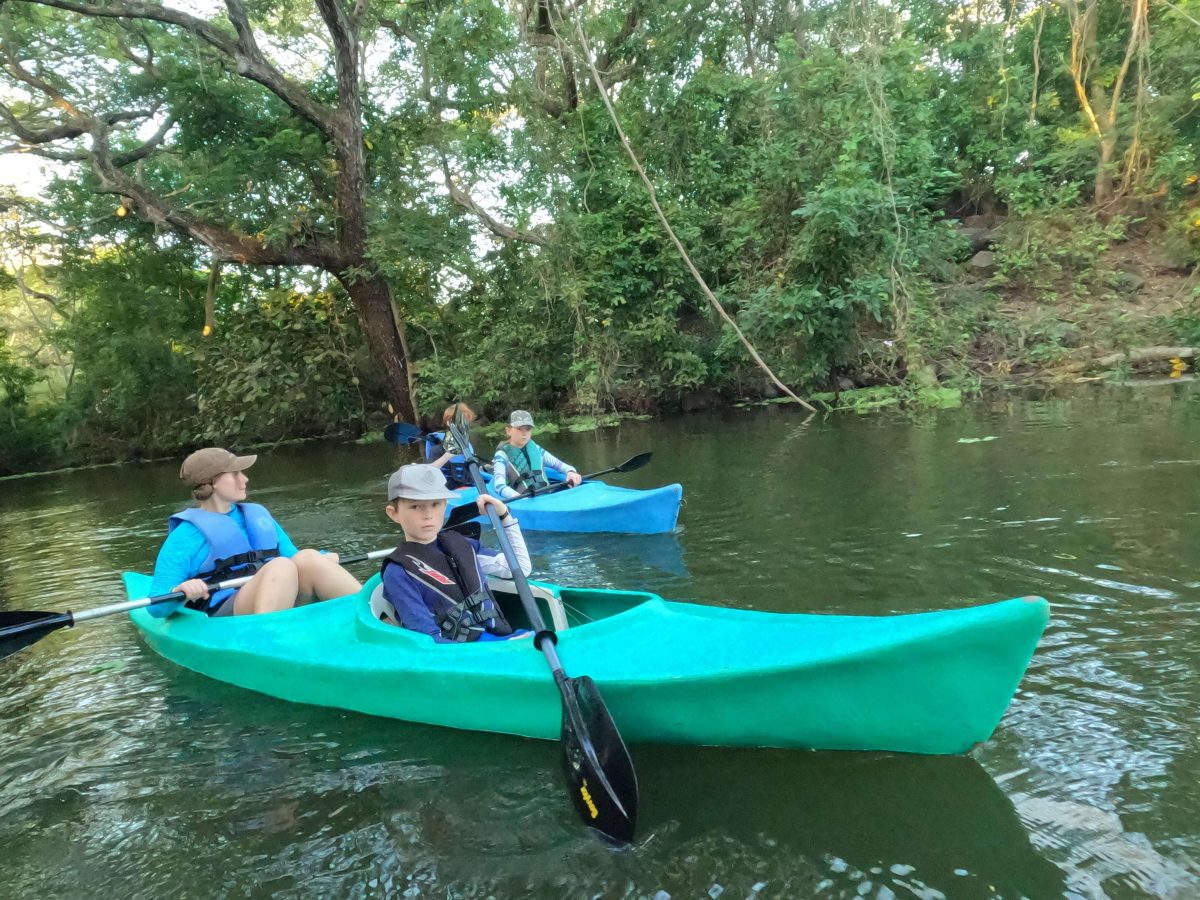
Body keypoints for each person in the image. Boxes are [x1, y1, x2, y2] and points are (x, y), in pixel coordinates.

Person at [150, 448, 362, 617]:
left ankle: (378, 619)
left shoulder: (257, 515)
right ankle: (268, 642)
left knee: (309, 558)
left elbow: (295, 558)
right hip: (225, 612)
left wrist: (322, 559)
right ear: (211, 482)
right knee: (280, 566)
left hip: (275, 596)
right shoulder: (185, 536)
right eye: (235, 474)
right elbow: (156, 607)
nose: (245, 479)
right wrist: (181, 591)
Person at [381, 463, 532, 643]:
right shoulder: (398, 572)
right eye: (415, 507)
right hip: (462, 657)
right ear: (394, 513)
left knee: (542, 639)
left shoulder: (463, 545)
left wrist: (504, 517)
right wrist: (502, 648)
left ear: (445, 505)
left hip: (497, 639)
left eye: (435, 504)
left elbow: (520, 568)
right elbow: (429, 641)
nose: (428, 514)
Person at [491, 409, 582, 500]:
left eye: (528, 429)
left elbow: (559, 465)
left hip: (547, 494)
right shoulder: (501, 455)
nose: (524, 433)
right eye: (519, 429)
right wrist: (518, 497)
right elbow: (499, 486)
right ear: (508, 431)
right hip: (524, 500)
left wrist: (571, 471)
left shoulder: (536, 449)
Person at [424, 403, 476, 489]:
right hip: (448, 491)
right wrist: (448, 455)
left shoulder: (468, 448)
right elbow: (429, 472)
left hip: (469, 490)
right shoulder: (437, 450)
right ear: (448, 422)